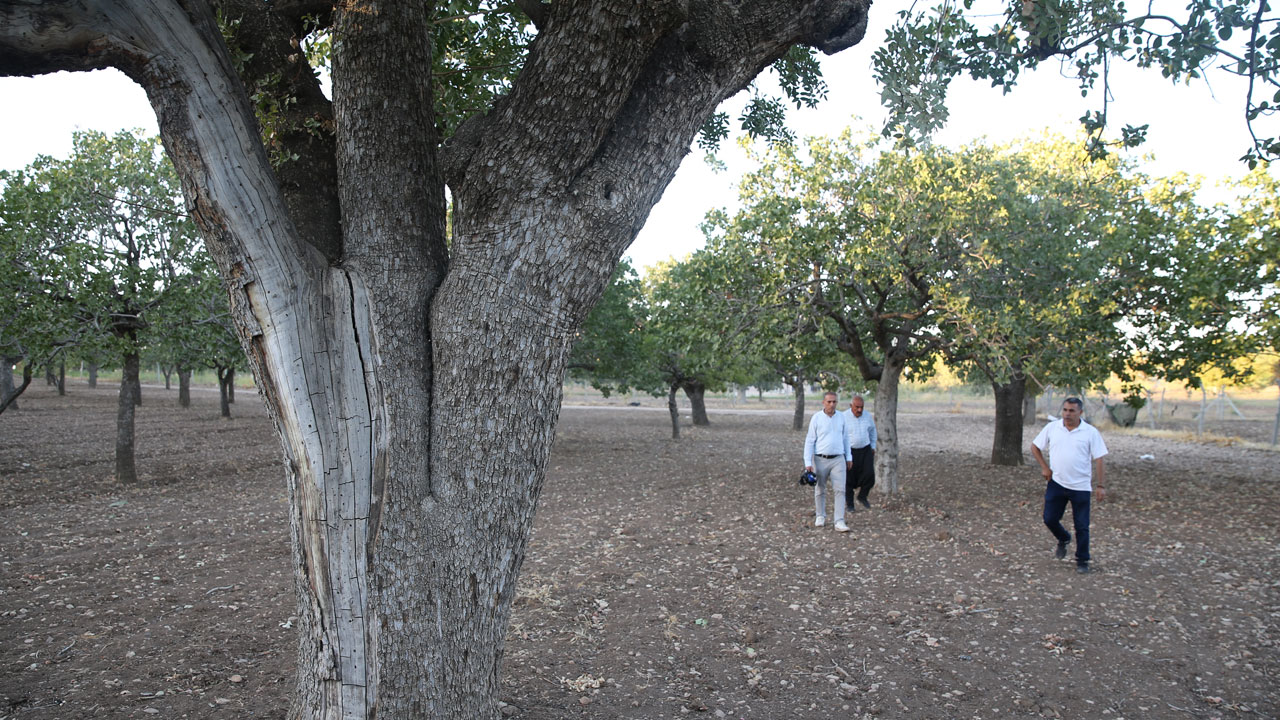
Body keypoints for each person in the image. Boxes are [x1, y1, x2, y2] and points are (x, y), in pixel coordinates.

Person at [1031, 397, 1108, 574]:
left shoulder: (1090, 432)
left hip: (1081, 486)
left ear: (1080, 412)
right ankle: (1064, 538)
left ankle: (1082, 560)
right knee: (1049, 518)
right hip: (1057, 482)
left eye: (1072, 411)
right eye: (1065, 410)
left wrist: (1100, 485)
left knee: (1081, 525)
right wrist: (1045, 467)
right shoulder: (1053, 428)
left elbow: (1099, 459)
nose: (1067, 414)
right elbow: (1035, 447)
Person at [804, 391, 853, 532]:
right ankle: (820, 515)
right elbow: (810, 440)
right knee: (820, 488)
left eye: (834, 402)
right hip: (820, 459)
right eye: (829, 401)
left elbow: (846, 438)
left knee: (840, 490)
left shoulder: (842, 418)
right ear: (823, 402)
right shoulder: (817, 418)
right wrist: (808, 461)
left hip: (838, 458)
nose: (832, 404)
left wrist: (848, 457)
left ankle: (839, 520)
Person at [841, 394, 877, 511]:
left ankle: (862, 496)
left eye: (861, 407)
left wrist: (873, 446)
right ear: (851, 405)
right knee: (848, 479)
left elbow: (872, 431)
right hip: (849, 451)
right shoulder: (843, 417)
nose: (859, 410)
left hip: (865, 449)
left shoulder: (867, 416)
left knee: (870, 475)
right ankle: (850, 504)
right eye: (857, 407)